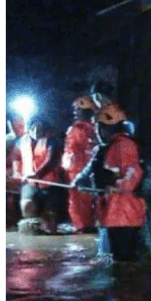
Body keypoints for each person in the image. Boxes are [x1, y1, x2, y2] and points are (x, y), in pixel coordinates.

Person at [93, 103, 147, 261]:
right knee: (120, 260)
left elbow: (132, 174)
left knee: (125, 260)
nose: (97, 132)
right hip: (117, 213)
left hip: (125, 214)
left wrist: (116, 186)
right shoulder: (114, 146)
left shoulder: (124, 145)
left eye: (99, 127)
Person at [13, 120, 64, 234]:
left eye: (39, 128)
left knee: (50, 223)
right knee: (27, 204)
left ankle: (49, 224)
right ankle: (31, 225)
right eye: (33, 128)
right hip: (29, 182)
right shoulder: (21, 142)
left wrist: (37, 174)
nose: (36, 131)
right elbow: (16, 157)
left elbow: (51, 160)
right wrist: (17, 171)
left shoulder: (52, 141)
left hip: (49, 183)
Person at [63, 96, 99, 233]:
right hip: (74, 168)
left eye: (79, 109)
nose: (75, 112)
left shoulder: (89, 128)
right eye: (75, 109)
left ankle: (85, 225)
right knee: (77, 199)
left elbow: (90, 149)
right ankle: (82, 225)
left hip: (83, 168)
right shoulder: (75, 128)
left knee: (84, 198)